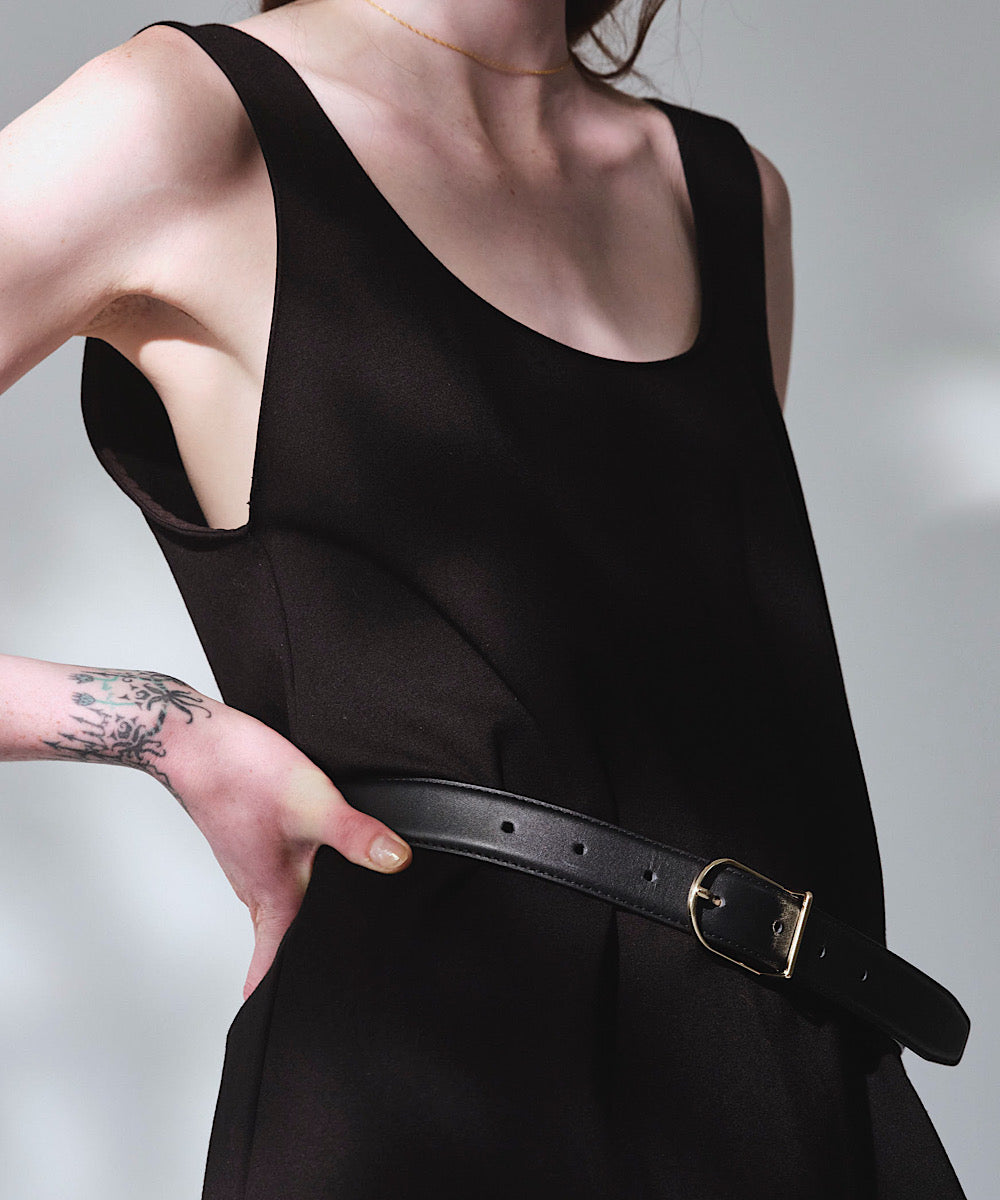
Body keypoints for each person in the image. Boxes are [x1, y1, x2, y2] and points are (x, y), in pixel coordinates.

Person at [0, 1, 970, 1196]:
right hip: (434, 1090)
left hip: (805, 1087)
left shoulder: (727, 197)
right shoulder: (185, 123)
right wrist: (166, 728)